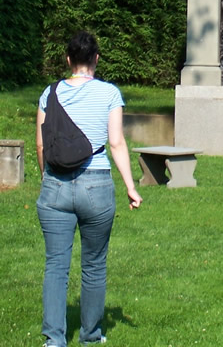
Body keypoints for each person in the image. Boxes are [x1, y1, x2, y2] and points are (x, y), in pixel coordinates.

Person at [35, 31, 142, 347]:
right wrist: (130, 187)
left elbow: (42, 144)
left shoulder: (49, 93)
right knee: (94, 264)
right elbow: (117, 142)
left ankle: (54, 339)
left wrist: (47, 178)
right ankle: (90, 336)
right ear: (96, 59)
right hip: (96, 184)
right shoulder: (109, 94)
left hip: (55, 185)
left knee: (56, 264)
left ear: (68, 60)